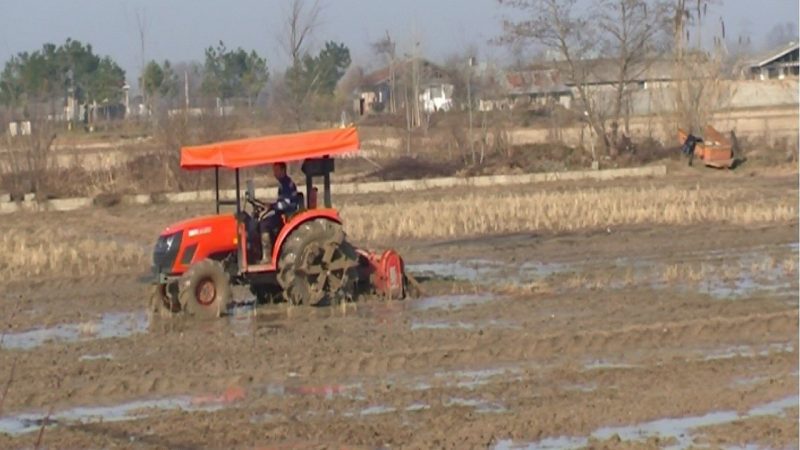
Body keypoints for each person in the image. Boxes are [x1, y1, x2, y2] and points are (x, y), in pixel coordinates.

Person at [259, 162, 300, 262]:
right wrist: (270, 206)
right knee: (265, 219)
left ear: (283, 170)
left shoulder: (287, 185)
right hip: (283, 213)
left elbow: (286, 204)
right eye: (274, 171)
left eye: (276, 170)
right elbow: (281, 202)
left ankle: (267, 257)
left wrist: (272, 206)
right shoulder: (283, 184)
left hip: (287, 215)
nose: (274, 173)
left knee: (264, 224)